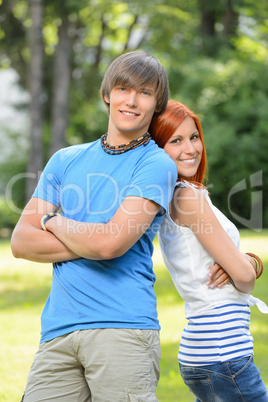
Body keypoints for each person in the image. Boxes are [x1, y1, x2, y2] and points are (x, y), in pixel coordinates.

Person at [11, 51, 179, 402]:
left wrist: (50, 221)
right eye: (122, 88)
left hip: (123, 329)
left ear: (156, 103)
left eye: (144, 92)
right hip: (58, 331)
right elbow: (22, 242)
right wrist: (100, 236)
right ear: (107, 94)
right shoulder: (66, 159)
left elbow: (109, 247)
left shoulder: (156, 164)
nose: (131, 101)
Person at [150, 100, 268, 401]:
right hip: (223, 352)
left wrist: (248, 262)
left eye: (193, 136)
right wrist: (245, 266)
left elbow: (240, 268)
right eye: (175, 141)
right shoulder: (189, 198)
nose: (190, 148)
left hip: (209, 351)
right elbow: (244, 278)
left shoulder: (174, 196)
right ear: (157, 150)